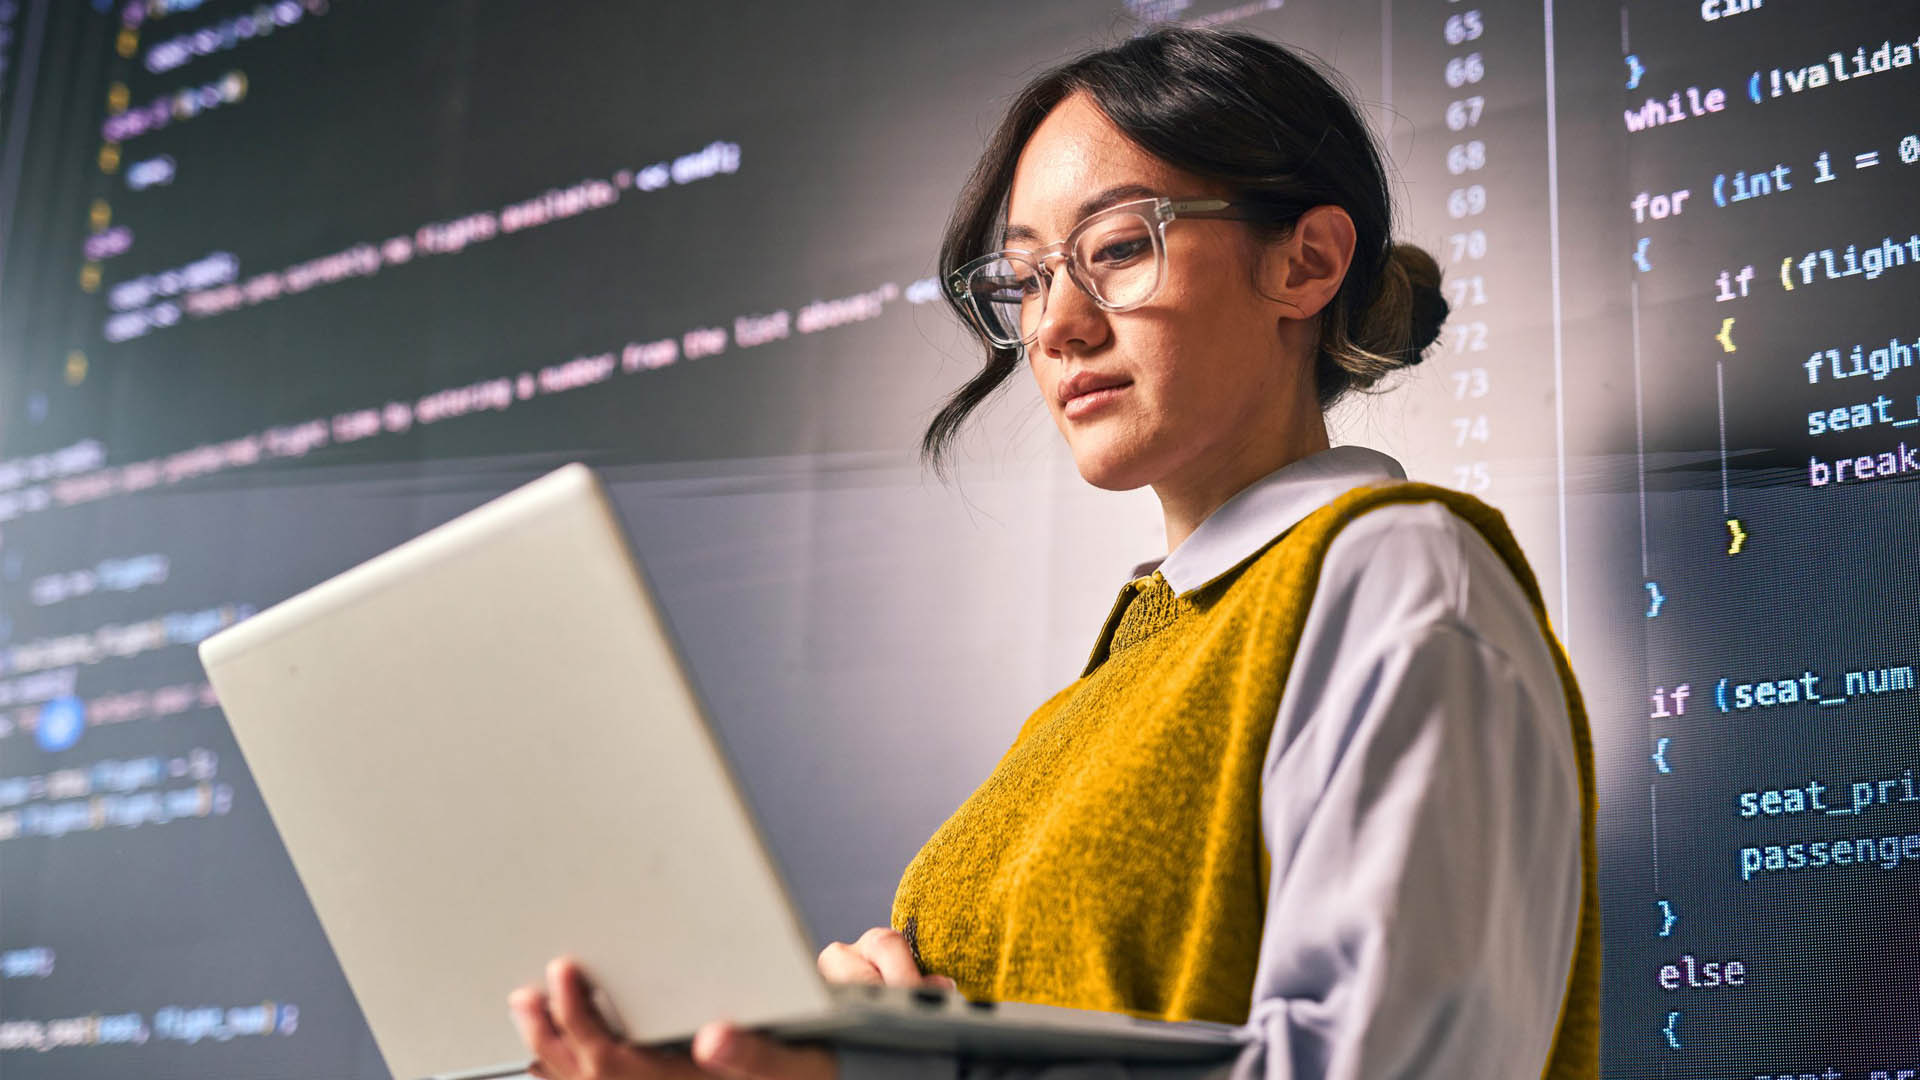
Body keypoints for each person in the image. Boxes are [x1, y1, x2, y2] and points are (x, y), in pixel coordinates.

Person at [507, 25, 1599, 1080]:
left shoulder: (1398, 576)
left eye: (1119, 248)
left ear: (1305, 264)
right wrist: (871, 1043)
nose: (1057, 325)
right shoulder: (1094, 700)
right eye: (1026, 280)